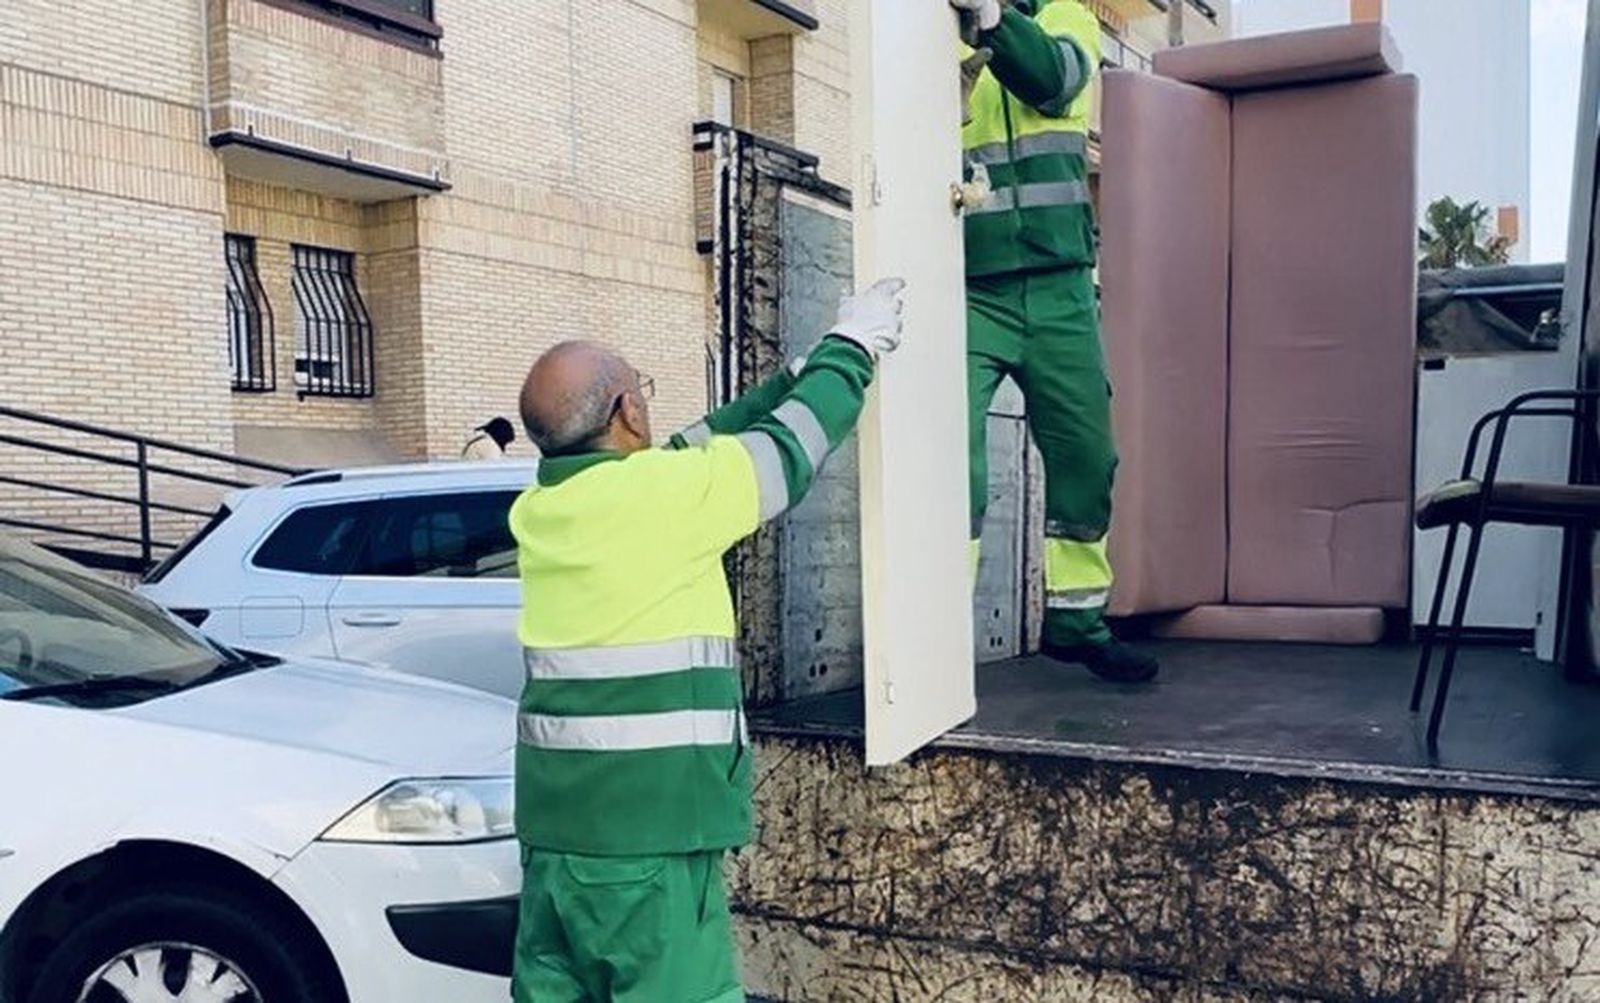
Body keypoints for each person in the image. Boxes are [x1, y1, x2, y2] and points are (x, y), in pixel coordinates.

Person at [507, 277, 907, 1003]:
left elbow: (709, 437)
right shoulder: (667, 497)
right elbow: (788, 448)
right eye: (643, 390)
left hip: (554, 842)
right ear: (628, 409)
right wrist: (853, 348)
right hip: (647, 838)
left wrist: (796, 370)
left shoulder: (544, 507)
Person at [950, 0, 1158, 682]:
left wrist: (991, 22)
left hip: (1061, 283)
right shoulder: (932, 32)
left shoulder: (1071, 15)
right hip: (970, 284)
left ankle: (1074, 621)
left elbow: (1054, 79)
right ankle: (940, 628)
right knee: (955, 465)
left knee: (1088, 457)